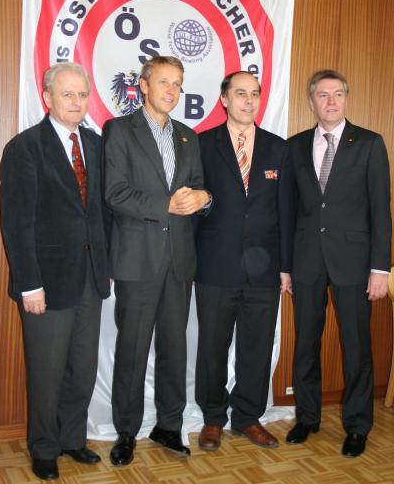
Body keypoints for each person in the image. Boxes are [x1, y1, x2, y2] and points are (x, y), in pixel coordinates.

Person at [0, 62, 110, 480]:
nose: (76, 102)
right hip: (45, 282)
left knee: (82, 367)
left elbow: (100, 213)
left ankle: (72, 439)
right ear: (47, 97)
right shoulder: (25, 148)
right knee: (46, 371)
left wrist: (107, 264)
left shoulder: (96, 146)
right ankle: (44, 447)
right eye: (67, 94)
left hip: (91, 278)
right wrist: (29, 284)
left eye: (82, 95)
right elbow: (17, 224)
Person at [103, 55, 210, 466]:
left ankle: (169, 425)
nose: (172, 91)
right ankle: (126, 431)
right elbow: (115, 194)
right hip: (137, 261)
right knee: (131, 350)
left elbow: (199, 188)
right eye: (164, 82)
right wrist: (166, 204)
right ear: (144, 85)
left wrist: (204, 198)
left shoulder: (188, 136)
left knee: (174, 349)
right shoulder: (119, 130)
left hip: (179, 261)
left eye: (178, 84)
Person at [286, 69, 391, 457]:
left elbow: (382, 211)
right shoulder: (294, 147)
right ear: (311, 101)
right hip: (307, 261)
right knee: (306, 343)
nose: (331, 101)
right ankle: (308, 417)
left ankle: (358, 424)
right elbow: (289, 210)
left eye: (338, 94)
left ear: (346, 99)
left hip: (355, 264)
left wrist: (380, 268)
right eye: (323, 95)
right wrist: (285, 266)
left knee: (357, 346)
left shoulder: (369, 144)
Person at [194, 70, 295, 451]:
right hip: (214, 266)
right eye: (240, 93)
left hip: (265, 271)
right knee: (212, 350)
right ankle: (213, 418)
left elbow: (285, 211)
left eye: (254, 94)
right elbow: (191, 208)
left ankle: (248, 418)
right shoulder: (202, 145)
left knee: (256, 346)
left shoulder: (278, 148)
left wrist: (285, 267)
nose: (248, 101)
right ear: (223, 99)